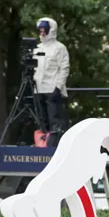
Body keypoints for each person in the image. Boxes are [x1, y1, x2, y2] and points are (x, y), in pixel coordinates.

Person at [32, 17, 70, 147]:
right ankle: (42, 146)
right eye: (40, 30)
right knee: (41, 121)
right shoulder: (37, 48)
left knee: (54, 121)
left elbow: (64, 68)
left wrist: (58, 87)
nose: (42, 33)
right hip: (39, 89)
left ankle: (53, 147)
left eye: (45, 31)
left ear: (51, 31)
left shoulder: (59, 48)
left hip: (52, 89)